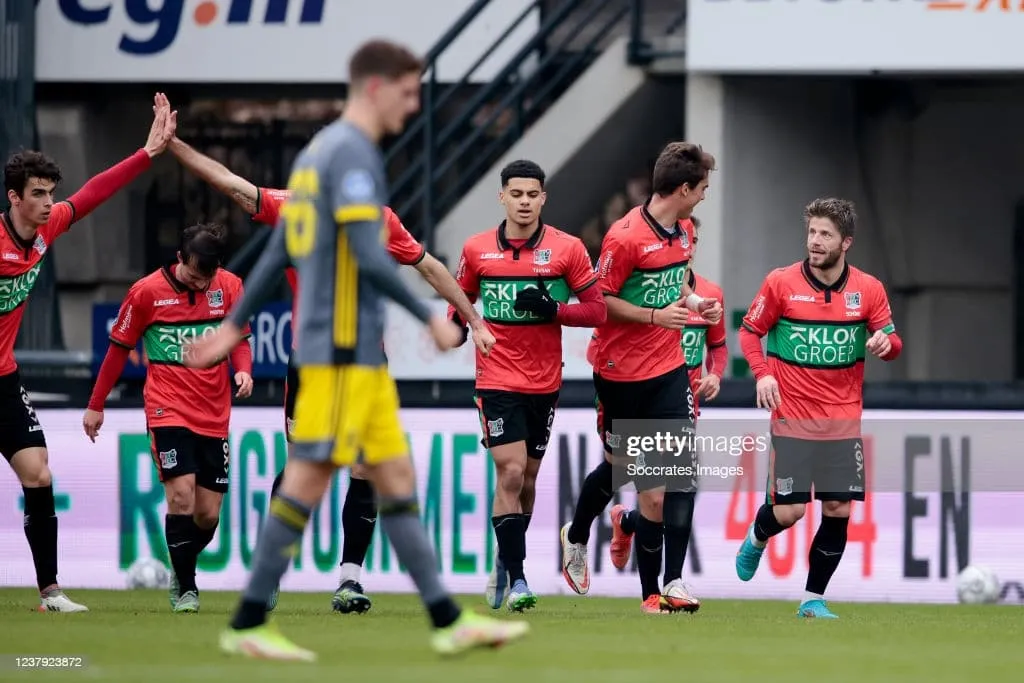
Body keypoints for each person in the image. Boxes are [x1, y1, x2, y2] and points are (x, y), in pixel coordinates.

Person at [184, 39, 529, 661]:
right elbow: (368, 255)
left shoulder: (318, 156)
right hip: (340, 354)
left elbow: (280, 248)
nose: (414, 103)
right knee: (311, 481)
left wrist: (234, 328)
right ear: (375, 88)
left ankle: (446, 620)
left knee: (390, 479)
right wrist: (429, 318)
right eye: (408, 90)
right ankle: (248, 622)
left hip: (347, 358)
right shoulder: (354, 155)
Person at [165, 132, 494, 614]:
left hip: (366, 362)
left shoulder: (380, 222)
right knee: (305, 471)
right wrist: (173, 145)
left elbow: (431, 269)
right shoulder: (296, 210)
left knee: (367, 467)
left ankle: (349, 579)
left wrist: (474, 319)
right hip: (312, 363)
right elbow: (231, 184)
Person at [0, 96, 176, 613]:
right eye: (38, 194)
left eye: (51, 192)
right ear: (14, 198)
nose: (50, 202)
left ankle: (50, 592)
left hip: (5, 379)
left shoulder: (45, 230)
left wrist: (146, 153)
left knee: (39, 474)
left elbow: (94, 193)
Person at [558, 141, 722, 614]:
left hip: (670, 371)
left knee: (669, 483)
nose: (706, 196)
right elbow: (600, 301)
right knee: (617, 470)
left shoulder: (685, 230)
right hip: (619, 373)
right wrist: (654, 316)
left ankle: (663, 588)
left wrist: (695, 305)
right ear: (685, 188)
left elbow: (682, 280)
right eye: (703, 188)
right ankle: (578, 531)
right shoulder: (624, 237)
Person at [449, 159, 606, 611]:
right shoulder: (477, 249)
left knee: (530, 478)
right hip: (495, 375)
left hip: (544, 380)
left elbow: (596, 311)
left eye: (531, 194)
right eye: (515, 194)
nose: (523, 202)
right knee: (511, 470)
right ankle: (518, 579)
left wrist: (553, 310)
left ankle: (505, 557)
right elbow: (460, 303)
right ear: (502, 196)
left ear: (543, 198)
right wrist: (457, 329)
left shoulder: (567, 249)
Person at [735, 197, 902, 618]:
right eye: (811, 232)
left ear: (846, 242)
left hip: (843, 420)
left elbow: (893, 342)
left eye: (825, 234)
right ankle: (757, 534)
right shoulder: (780, 283)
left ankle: (812, 599)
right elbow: (750, 332)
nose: (815, 241)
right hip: (792, 416)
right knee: (789, 512)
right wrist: (763, 374)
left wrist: (886, 344)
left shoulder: (869, 289)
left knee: (837, 508)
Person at [83, 224, 253, 613]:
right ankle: (187, 589)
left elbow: (240, 338)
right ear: (179, 259)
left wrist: (243, 370)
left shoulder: (228, 287)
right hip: (167, 408)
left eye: (205, 278)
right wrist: (96, 403)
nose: (199, 284)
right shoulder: (146, 293)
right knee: (180, 497)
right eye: (193, 275)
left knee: (208, 514)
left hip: (214, 412)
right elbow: (117, 350)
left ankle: (180, 565)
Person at [607, 215, 727, 580]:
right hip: (646, 398)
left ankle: (670, 578)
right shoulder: (647, 293)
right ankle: (650, 578)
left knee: (681, 492)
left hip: (683, 406)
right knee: (657, 497)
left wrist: (715, 375)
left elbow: (718, 348)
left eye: (689, 245)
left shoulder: (710, 295)